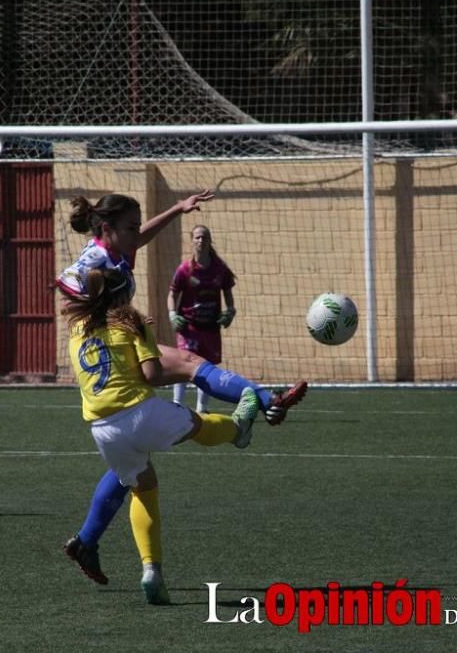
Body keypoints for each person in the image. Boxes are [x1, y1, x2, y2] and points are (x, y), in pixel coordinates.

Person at [57, 191, 307, 585]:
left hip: (104, 387)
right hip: (114, 348)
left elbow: (135, 242)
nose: (137, 233)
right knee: (190, 367)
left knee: (133, 470)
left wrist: (176, 209)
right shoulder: (95, 258)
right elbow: (65, 281)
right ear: (107, 229)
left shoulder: (117, 248)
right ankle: (260, 404)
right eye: (131, 227)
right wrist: (112, 317)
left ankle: (88, 541)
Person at [64, 267, 260, 604]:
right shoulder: (130, 322)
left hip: (103, 430)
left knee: (143, 486)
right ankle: (238, 428)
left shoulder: (76, 330)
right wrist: (148, 341)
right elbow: (152, 375)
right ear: (123, 295)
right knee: (197, 425)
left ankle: (152, 570)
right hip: (140, 414)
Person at [168, 225, 236, 413]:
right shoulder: (185, 269)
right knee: (184, 363)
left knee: (205, 367)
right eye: (197, 237)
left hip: (211, 327)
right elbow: (172, 294)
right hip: (189, 327)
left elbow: (228, 292)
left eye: (204, 237)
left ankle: (202, 408)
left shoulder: (220, 269)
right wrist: (172, 314)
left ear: (209, 240)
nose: (201, 240)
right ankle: (177, 405)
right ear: (192, 241)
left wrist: (230, 311)